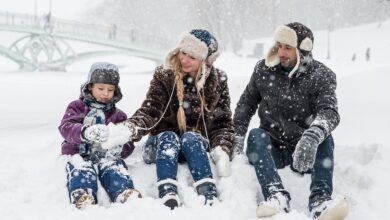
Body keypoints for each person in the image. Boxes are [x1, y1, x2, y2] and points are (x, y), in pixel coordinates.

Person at [233, 22, 349, 219]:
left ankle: (320, 201)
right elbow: (246, 105)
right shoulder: (263, 70)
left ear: (302, 50)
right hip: (271, 150)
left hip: (304, 152)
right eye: (279, 46)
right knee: (256, 135)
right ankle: (276, 195)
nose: (281, 52)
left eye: (287, 47)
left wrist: (312, 136)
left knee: (325, 137)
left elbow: (329, 111)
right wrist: (236, 138)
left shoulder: (321, 75)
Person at [107, 29, 234, 209]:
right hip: (160, 145)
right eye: (183, 52)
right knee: (169, 137)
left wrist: (222, 147)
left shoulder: (218, 80)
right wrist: (130, 128)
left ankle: (208, 191)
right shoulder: (164, 75)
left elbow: (223, 122)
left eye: (192, 56)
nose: (184, 59)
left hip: (193, 147)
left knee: (192, 137)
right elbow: (150, 110)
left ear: (205, 61)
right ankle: (167, 191)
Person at [59, 62, 141, 209]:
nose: (105, 93)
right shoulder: (77, 107)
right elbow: (66, 127)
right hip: (79, 153)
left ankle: (124, 191)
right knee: (81, 168)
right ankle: (83, 193)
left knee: (114, 168)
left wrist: (120, 148)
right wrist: (85, 132)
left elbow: (127, 140)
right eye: (101, 88)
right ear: (90, 86)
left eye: (110, 90)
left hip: (106, 156)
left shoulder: (118, 116)